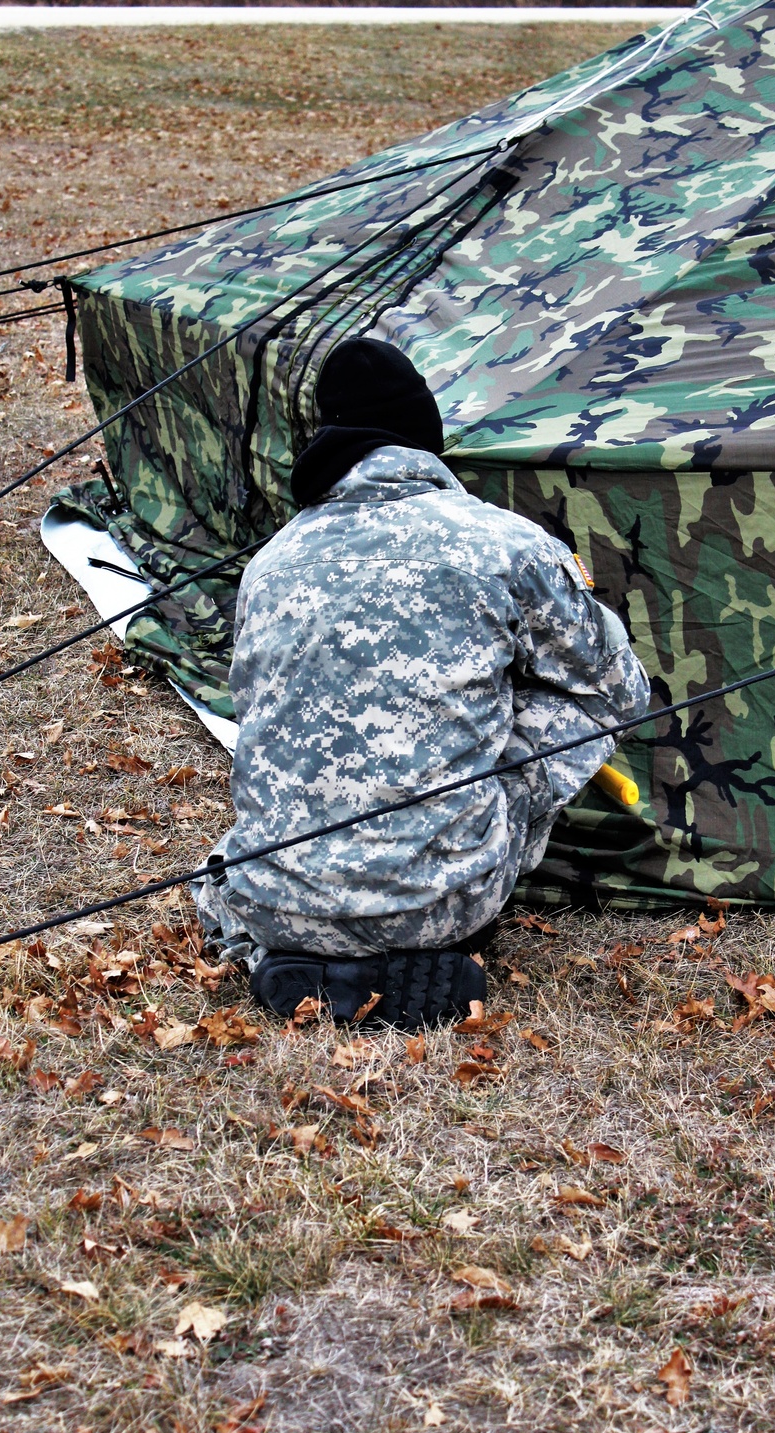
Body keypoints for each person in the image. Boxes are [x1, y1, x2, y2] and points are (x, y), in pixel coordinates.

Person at [196, 338, 650, 1029]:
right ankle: (418, 922)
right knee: (582, 698)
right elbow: (617, 685)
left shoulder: (269, 561)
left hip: (268, 895)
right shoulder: (507, 544)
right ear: (425, 439)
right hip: (441, 902)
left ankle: (301, 951)